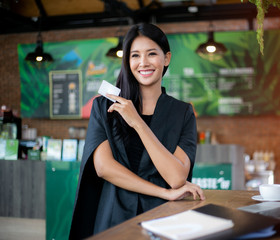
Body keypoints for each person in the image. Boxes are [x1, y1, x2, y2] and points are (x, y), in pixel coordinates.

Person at [69, 23, 205, 239]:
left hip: (161, 220)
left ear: (166, 58)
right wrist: (164, 193)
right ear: (127, 61)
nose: (143, 62)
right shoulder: (104, 107)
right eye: (135, 56)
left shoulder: (183, 113)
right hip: (113, 219)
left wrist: (138, 123)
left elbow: (177, 178)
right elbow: (104, 168)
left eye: (152, 54)